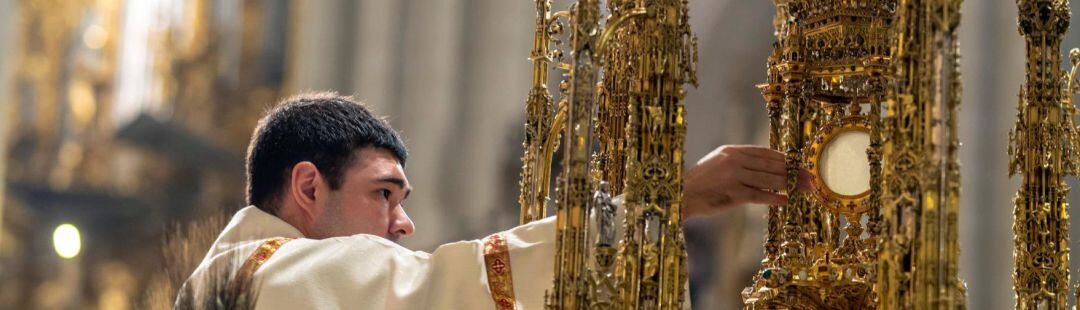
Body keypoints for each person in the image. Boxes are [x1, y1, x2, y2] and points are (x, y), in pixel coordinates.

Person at [177, 92, 808, 309]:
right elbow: (454, 282)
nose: (404, 223)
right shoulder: (267, 275)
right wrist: (671, 200)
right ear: (310, 187)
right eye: (383, 194)